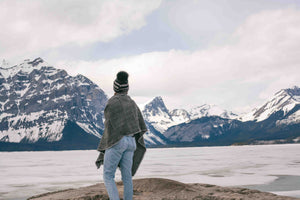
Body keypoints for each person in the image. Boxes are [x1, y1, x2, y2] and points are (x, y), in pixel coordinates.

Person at [95, 71, 147, 200]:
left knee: (108, 175)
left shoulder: (112, 102)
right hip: (131, 142)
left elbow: (109, 127)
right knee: (127, 176)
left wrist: (104, 147)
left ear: (115, 88)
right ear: (127, 88)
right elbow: (139, 123)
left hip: (117, 141)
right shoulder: (132, 102)